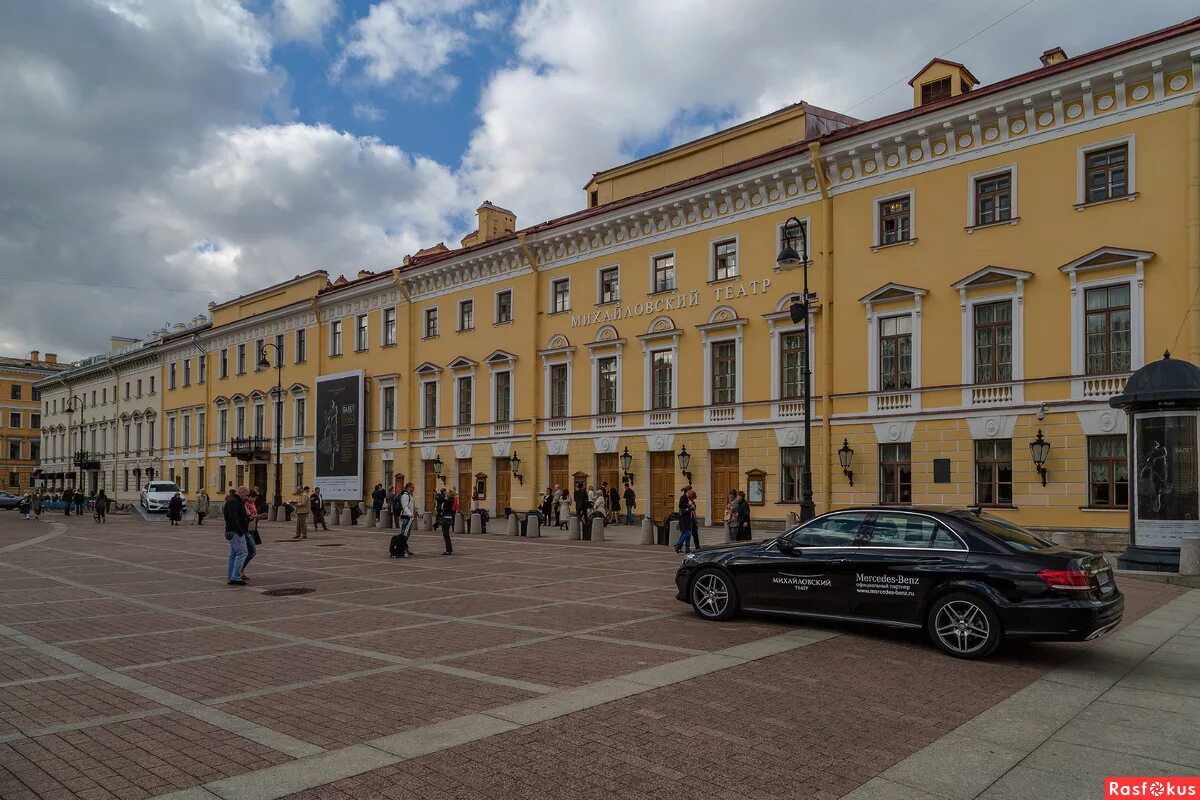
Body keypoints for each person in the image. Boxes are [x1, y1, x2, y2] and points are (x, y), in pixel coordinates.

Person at [223, 485, 251, 586]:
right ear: (242, 492)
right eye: (247, 495)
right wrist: (240, 530)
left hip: (232, 531)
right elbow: (233, 518)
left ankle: (231, 576)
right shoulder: (234, 501)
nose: (247, 497)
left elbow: (238, 517)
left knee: (233, 555)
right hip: (235, 532)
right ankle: (235, 577)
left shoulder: (234, 500)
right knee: (242, 553)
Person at [243, 490, 263, 580]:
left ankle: (240, 570)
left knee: (249, 551)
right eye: (252, 497)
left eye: (255, 497)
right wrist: (255, 517)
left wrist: (260, 517)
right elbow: (249, 517)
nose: (254, 499)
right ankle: (240, 569)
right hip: (247, 530)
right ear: (248, 496)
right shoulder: (245, 504)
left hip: (253, 529)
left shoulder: (253, 505)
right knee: (252, 552)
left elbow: (253, 516)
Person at [391, 485, 415, 556]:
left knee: (406, 533)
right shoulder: (405, 496)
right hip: (406, 517)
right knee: (404, 533)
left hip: (409, 517)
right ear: (408, 487)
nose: (413, 488)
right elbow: (405, 506)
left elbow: (411, 506)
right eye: (412, 487)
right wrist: (410, 514)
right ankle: (402, 548)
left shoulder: (410, 495)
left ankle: (404, 547)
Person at [674, 486, 694, 553]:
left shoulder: (689, 498)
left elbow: (693, 506)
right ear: (688, 491)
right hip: (684, 518)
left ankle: (687, 549)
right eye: (691, 490)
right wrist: (689, 506)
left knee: (688, 534)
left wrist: (692, 506)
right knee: (688, 533)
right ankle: (678, 545)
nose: (691, 491)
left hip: (689, 518)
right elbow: (681, 507)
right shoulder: (683, 497)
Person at [436, 488, 454, 555]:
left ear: (450, 494)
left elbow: (439, 499)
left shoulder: (448, 501)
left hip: (446, 519)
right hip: (447, 518)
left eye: (448, 492)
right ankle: (449, 549)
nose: (446, 493)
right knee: (446, 535)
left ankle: (449, 550)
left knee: (446, 535)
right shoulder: (449, 500)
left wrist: (438, 495)